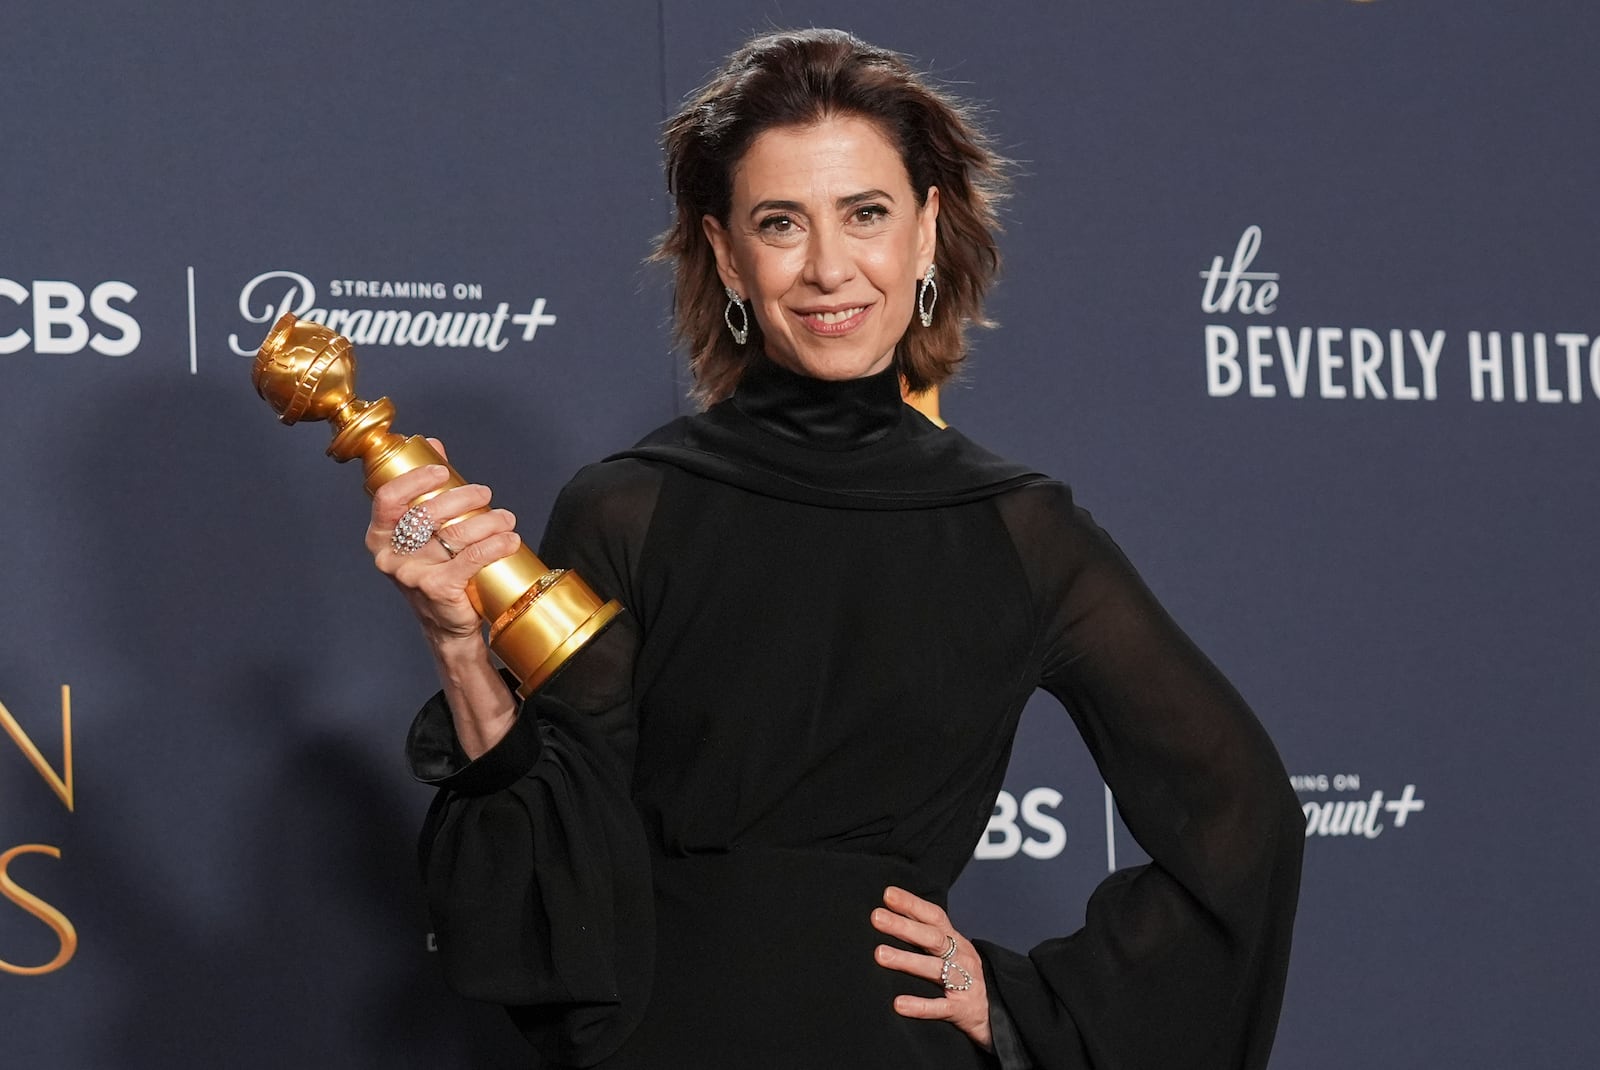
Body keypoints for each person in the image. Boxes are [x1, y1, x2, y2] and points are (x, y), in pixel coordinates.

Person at [368, 28, 1303, 1070]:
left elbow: (1242, 812)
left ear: (926, 230)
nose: (826, 267)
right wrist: (459, 646)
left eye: (865, 214)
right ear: (726, 253)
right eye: (781, 223)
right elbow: (555, 875)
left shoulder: (1022, 531)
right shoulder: (631, 508)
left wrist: (1021, 1002)